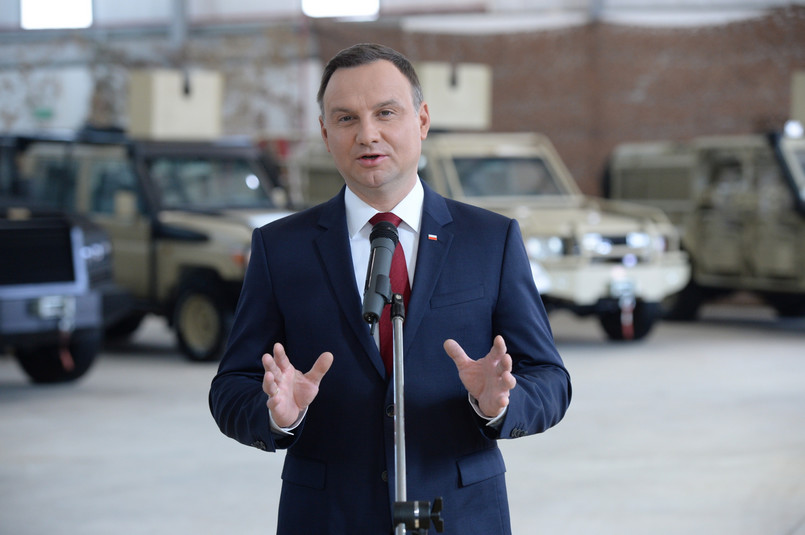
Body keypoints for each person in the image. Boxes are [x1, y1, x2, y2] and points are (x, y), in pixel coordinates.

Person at [209, 42, 571, 535]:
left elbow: (550, 377)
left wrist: (499, 404)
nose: (368, 134)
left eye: (386, 113)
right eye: (345, 118)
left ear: (421, 120)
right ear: (325, 132)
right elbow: (230, 388)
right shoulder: (279, 248)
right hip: (326, 518)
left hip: (461, 516)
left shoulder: (490, 240)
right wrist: (278, 417)